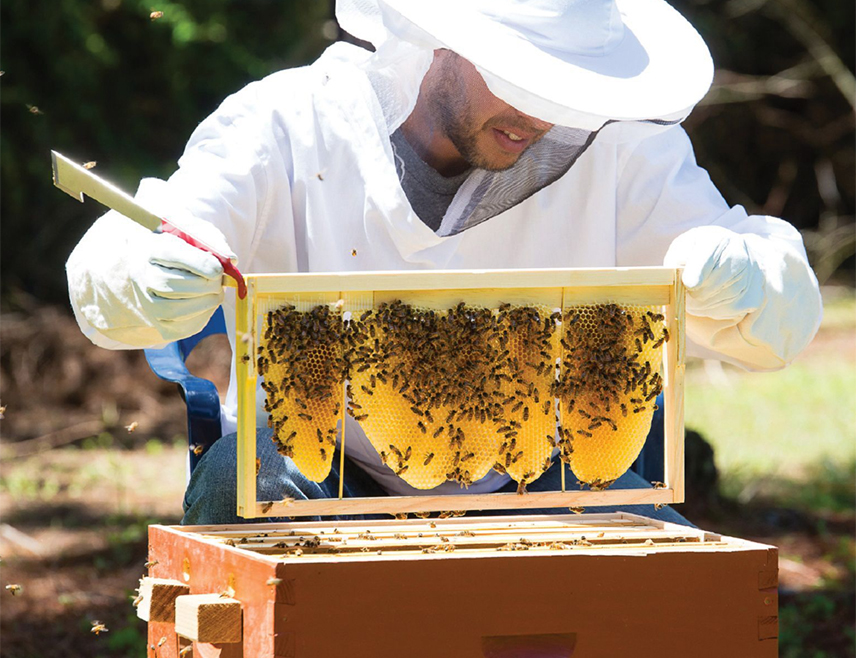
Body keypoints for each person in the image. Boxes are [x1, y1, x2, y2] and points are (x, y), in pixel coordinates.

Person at [65, 0, 822, 525]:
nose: (546, 115)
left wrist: (740, 273)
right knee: (240, 482)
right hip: (316, 469)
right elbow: (152, 239)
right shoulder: (287, 123)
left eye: (568, 88)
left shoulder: (628, 151)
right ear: (445, 40)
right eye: (523, 78)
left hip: (544, 480)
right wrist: (145, 273)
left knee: (651, 578)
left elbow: (779, 324)